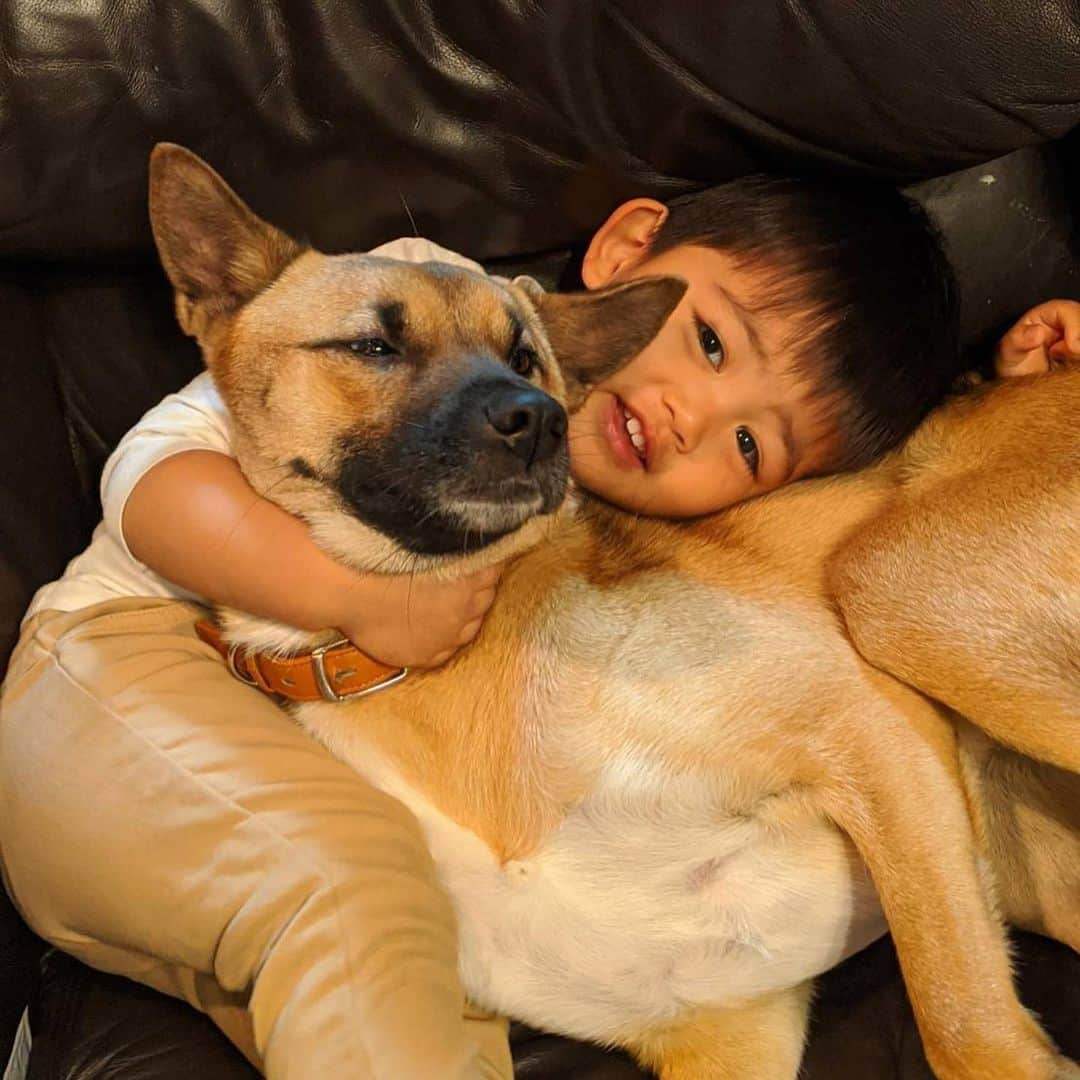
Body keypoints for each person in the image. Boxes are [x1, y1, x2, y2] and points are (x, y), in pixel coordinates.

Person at [2, 171, 1075, 1080]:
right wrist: (363, 600)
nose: (684, 416)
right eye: (700, 339)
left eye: (752, 451)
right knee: (368, 915)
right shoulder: (397, 296)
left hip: (972, 582)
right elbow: (154, 475)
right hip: (128, 678)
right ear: (625, 251)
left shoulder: (576, 487)